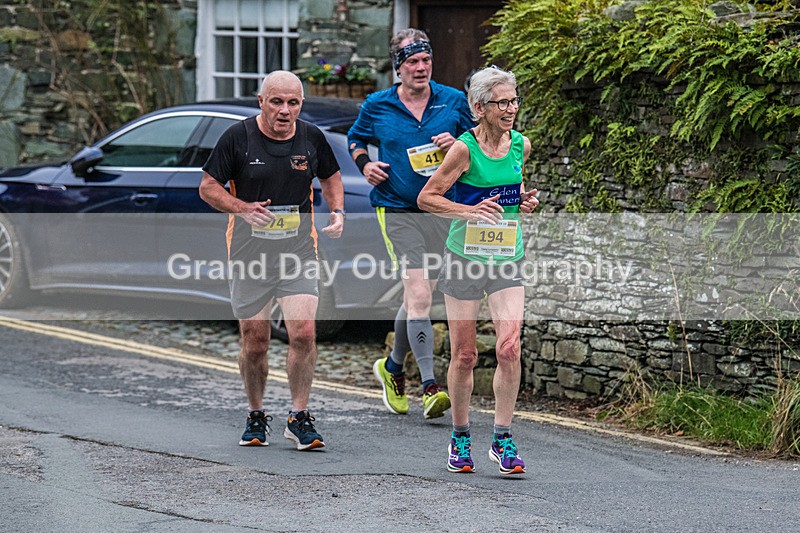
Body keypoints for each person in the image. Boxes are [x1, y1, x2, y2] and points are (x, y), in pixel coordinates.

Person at [199, 71, 345, 451]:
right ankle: (256, 412)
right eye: (277, 101)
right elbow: (208, 187)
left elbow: (331, 177)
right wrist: (240, 208)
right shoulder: (238, 138)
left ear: (301, 104)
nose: (285, 110)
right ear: (260, 101)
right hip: (249, 254)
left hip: (298, 250)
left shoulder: (311, 137)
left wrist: (337, 211)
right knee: (256, 341)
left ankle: (299, 416)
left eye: (293, 103)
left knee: (304, 333)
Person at [347, 28, 475, 420]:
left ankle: (392, 368)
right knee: (419, 296)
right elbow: (356, 139)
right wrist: (365, 165)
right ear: (397, 67)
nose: (421, 68)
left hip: (441, 208)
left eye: (426, 61)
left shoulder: (453, 100)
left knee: (415, 298)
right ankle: (431, 386)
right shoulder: (377, 104)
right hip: (397, 209)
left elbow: (478, 141)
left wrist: (454, 143)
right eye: (412, 62)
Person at [418, 66, 540, 475]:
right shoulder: (463, 150)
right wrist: (469, 211)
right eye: (502, 102)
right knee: (466, 355)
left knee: (509, 347)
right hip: (465, 257)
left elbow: (510, 193)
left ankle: (503, 439)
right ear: (479, 107)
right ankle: (460, 435)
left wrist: (523, 203)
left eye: (514, 101)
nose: (511, 109)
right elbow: (427, 198)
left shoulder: (521, 144)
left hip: (507, 255)